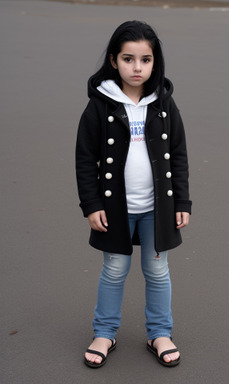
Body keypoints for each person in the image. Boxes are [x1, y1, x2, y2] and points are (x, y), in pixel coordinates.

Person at [76, 20, 192, 369]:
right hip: (115, 208)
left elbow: (179, 154)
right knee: (113, 269)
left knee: (157, 271)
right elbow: (85, 158)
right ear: (114, 60)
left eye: (145, 59)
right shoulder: (101, 105)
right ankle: (105, 332)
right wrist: (92, 204)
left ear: (155, 62)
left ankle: (159, 332)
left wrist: (182, 201)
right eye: (128, 59)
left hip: (157, 207)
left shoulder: (164, 104)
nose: (137, 67)